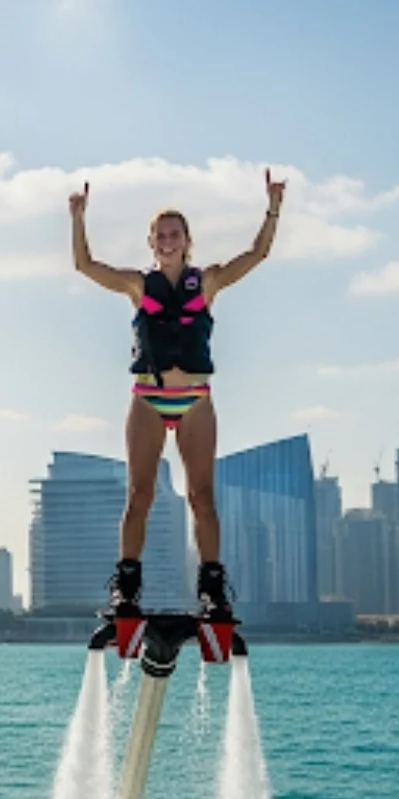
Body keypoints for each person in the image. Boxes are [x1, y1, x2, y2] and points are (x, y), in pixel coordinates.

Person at [68, 168, 285, 620]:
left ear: (187, 240)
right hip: (148, 399)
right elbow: (85, 267)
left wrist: (273, 205)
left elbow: (259, 253)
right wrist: (78, 217)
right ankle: (125, 592)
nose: (168, 240)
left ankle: (212, 591)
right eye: (161, 234)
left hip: (195, 402)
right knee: (140, 496)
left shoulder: (208, 282)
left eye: (175, 234)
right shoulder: (136, 285)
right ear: (151, 242)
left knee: (201, 497)